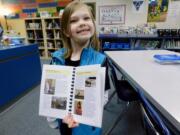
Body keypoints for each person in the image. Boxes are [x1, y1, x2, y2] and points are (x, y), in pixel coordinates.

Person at [47, 1, 111, 135]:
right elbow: (52, 93)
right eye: (74, 20)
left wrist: (80, 113)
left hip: (87, 126)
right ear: (66, 31)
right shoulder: (57, 59)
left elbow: (103, 97)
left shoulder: (99, 60)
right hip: (64, 123)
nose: (82, 23)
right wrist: (54, 119)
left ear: (93, 24)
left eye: (87, 18)